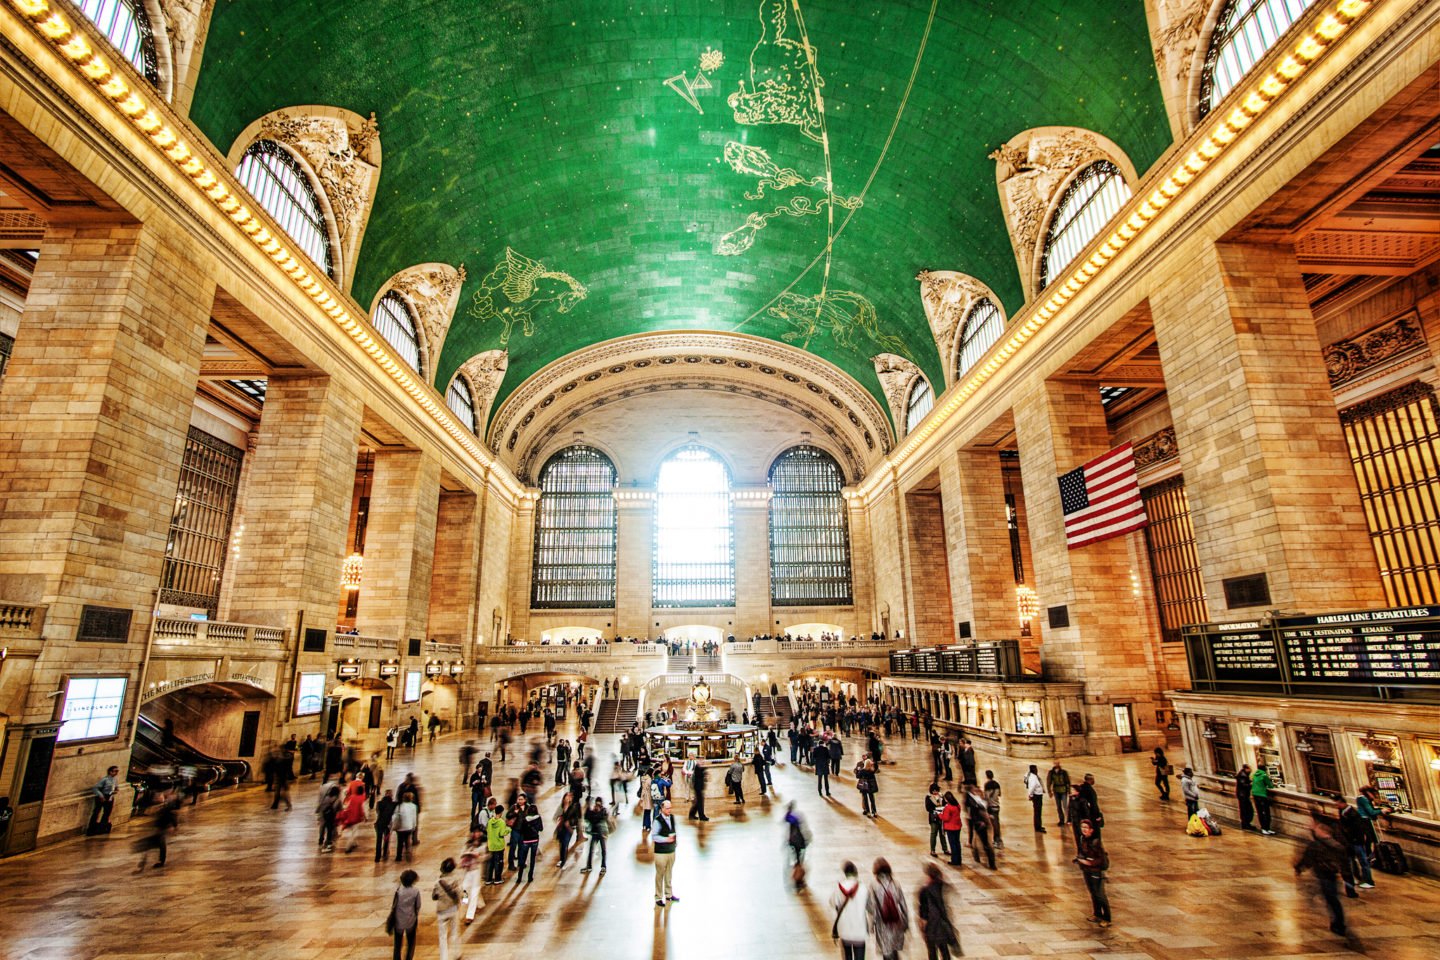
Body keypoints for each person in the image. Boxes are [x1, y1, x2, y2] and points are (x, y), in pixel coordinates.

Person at [1295, 817, 1354, 937]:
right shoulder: (1338, 846)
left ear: (1322, 832)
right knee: (1333, 900)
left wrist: (1299, 868)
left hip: (1324, 875)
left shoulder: (1316, 845)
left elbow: (1307, 859)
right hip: (1332, 875)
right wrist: (1348, 880)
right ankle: (1338, 922)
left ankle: (1338, 924)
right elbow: (1345, 864)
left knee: (1331, 900)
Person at [867, 857, 909, 960]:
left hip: (883, 924)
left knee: (886, 951)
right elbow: (903, 904)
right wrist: (906, 923)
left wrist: (871, 925)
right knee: (894, 950)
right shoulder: (895, 883)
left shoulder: (873, 885)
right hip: (896, 922)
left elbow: (872, 907)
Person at [917, 862, 960, 960]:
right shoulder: (942, 885)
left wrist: (922, 928)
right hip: (943, 924)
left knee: (932, 952)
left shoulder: (924, 890)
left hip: (931, 926)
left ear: (928, 875)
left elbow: (923, 912)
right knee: (944, 950)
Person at [1074, 819, 1111, 926]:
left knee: (1100, 894)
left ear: (1091, 830)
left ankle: (1107, 918)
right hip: (1087, 870)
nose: (1084, 830)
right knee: (1093, 893)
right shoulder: (1083, 839)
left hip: (1096, 871)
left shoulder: (1096, 842)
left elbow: (1100, 859)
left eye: (1086, 828)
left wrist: (1089, 862)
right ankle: (1097, 914)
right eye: (1082, 828)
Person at [829, 861, 869, 960]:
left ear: (845, 873)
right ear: (856, 873)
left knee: (847, 957)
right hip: (859, 930)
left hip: (845, 930)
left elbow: (832, 902)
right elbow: (870, 906)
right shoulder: (863, 888)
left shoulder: (839, 887)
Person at [1335, 797, 1374, 891]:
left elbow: (1358, 829)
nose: (1336, 806)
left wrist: (1356, 839)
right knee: (1351, 860)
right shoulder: (1342, 812)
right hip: (1349, 841)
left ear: (1342, 803)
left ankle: (1368, 881)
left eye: (1337, 804)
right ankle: (1358, 877)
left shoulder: (1353, 814)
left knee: (1363, 861)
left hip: (1356, 841)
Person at [135, 791, 179, 870]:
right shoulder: (158, 804)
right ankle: (147, 860)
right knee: (150, 844)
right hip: (157, 827)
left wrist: (173, 826)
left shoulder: (167, 805)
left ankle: (160, 861)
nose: (157, 798)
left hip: (162, 828)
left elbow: (171, 814)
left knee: (159, 843)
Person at [387, 869, 421, 960]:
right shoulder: (415, 891)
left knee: (397, 945)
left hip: (398, 921)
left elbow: (394, 905)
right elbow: (418, 906)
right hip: (411, 921)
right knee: (410, 943)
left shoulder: (398, 891)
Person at [432, 857, 463, 960]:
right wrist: (463, 903)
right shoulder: (456, 879)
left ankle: (444, 957)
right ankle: (457, 953)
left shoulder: (438, 881)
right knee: (455, 932)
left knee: (442, 936)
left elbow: (434, 897)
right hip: (453, 909)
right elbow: (463, 892)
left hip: (442, 911)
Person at [512, 793, 544, 884]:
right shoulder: (538, 818)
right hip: (535, 840)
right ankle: (530, 877)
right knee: (532, 859)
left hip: (526, 840)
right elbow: (541, 829)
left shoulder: (525, 819)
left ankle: (519, 878)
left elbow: (522, 829)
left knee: (522, 859)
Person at [653, 799, 679, 906]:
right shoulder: (657, 820)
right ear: (662, 808)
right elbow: (654, 837)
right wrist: (666, 839)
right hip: (661, 853)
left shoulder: (672, 817)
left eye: (670, 808)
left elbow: (674, 830)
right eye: (667, 808)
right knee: (660, 874)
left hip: (671, 851)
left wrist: (675, 842)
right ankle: (658, 897)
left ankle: (669, 894)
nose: (669, 810)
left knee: (669, 873)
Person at [460, 828, 485, 922]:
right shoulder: (468, 844)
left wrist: (478, 857)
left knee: (474, 892)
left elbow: (485, 856)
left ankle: (470, 915)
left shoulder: (483, 844)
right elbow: (461, 853)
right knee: (465, 889)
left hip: (476, 871)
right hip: (467, 871)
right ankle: (466, 904)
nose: (476, 834)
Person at [88, 765, 120, 836]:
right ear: (110, 772)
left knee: (107, 813)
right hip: (102, 796)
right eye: (115, 771)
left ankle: (102, 828)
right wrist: (101, 796)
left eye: (117, 771)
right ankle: (91, 829)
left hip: (110, 797)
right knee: (96, 812)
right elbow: (95, 788)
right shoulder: (105, 779)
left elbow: (116, 786)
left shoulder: (115, 779)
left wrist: (116, 790)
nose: (116, 773)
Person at [582, 796, 610, 874]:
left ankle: (603, 867)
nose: (597, 804)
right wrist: (588, 806)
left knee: (603, 850)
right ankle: (589, 866)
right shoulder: (593, 811)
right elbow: (587, 817)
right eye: (596, 802)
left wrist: (596, 812)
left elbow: (601, 818)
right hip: (595, 833)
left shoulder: (604, 810)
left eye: (599, 802)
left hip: (602, 833)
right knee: (591, 850)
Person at [485, 802, 509, 884]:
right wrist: (509, 829)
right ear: (501, 812)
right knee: (498, 863)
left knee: (490, 863)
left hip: (491, 845)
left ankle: (488, 879)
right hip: (499, 846)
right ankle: (497, 879)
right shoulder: (501, 822)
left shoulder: (490, 821)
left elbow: (488, 830)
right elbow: (502, 833)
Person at [939, 791, 963, 867]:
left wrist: (939, 815)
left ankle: (954, 860)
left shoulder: (948, 807)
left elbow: (946, 818)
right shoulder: (957, 805)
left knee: (952, 844)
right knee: (957, 843)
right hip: (957, 826)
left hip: (950, 828)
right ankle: (959, 859)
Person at [393, 790, 418, 862]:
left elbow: (395, 816)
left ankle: (398, 856)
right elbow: (414, 817)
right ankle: (408, 854)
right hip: (409, 827)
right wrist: (414, 826)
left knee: (400, 842)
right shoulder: (413, 806)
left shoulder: (399, 806)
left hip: (400, 827)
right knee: (408, 841)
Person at [1251, 765, 1276, 835]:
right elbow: (1270, 785)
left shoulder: (1254, 775)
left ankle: (1263, 828)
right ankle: (1267, 828)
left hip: (1255, 794)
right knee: (1266, 812)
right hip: (1262, 795)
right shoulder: (1264, 775)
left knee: (1260, 812)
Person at [925, 783, 948, 857]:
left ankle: (945, 849)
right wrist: (938, 809)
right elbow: (928, 808)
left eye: (936, 790)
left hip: (942, 817)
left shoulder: (941, 795)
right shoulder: (928, 797)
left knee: (942, 834)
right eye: (933, 790)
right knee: (933, 834)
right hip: (934, 818)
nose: (935, 792)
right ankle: (933, 850)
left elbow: (945, 804)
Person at [374, 788, 396, 862]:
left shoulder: (379, 803)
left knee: (379, 840)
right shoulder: (393, 804)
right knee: (386, 840)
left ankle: (377, 857)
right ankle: (385, 855)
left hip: (379, 824)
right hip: (387, 825)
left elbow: (377, 812)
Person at [1047, 760, 1071, 827]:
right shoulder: (1051, 772)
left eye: (1057, 763)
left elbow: (1068, 782)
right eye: (1055, 763)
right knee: (1059, 806)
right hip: (1056, 791)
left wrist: (1069, 791)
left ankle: (1068, 819)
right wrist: (1049, 791)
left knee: (1065, 805)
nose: (1056, 764)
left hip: (1063, 790)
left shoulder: (1064, 772)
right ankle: (1061, 820)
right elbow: (1049, 782)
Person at [1024, 764, 1047, 833]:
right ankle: (1038, 827)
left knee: (1038, 812)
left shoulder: (1032, 776)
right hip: (1037, 796)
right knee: (1037, 812)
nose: (1037, 770)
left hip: (1037, 795)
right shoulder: (1033, 777)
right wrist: (1030, 795)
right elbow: (1032, 787)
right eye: (1036, 769)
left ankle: (1038, 825)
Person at [983, 770, 1003, 849]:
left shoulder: (987, 785)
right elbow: (1000, 794)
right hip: (997, 805)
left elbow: (986, 797)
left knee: (994, 825)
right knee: (997, 823)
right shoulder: (997, 784)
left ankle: (997, 840)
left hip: (991, 807)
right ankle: (998, 839)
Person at [1235, 764, 1255, 831]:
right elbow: (1244, 785)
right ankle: (1246, 824)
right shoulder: (1242, 775)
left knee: (1245, 810)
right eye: (1250, 769)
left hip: (1242, 795)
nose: (1251, 770)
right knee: (1246, 810)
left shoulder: (1243, 774)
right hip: (1243, 796)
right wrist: (1251, 785)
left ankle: (1246, 824)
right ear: (1246, 769)